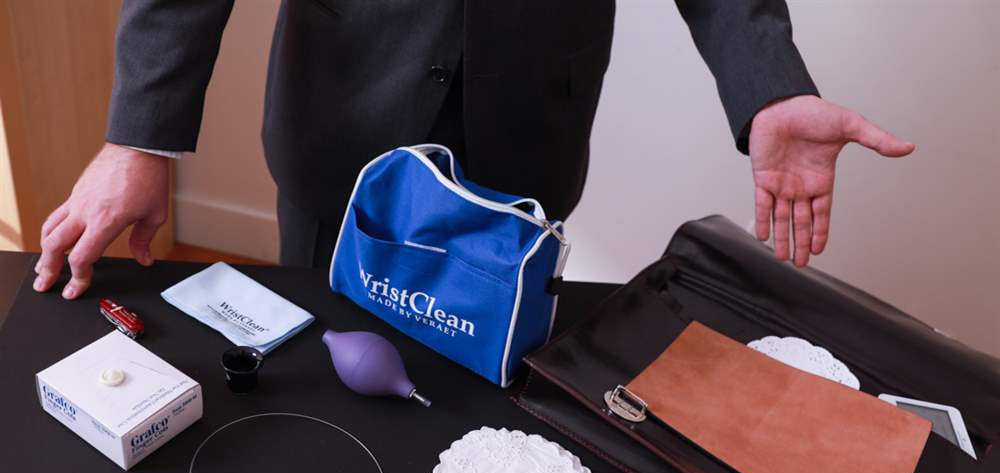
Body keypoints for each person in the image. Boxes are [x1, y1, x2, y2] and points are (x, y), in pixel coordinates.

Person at [33, 0, 914, 300]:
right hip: (341, 121)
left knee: (494, 404)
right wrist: (140, 133)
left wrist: (767, 83)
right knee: (330, 396)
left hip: (528, 135)